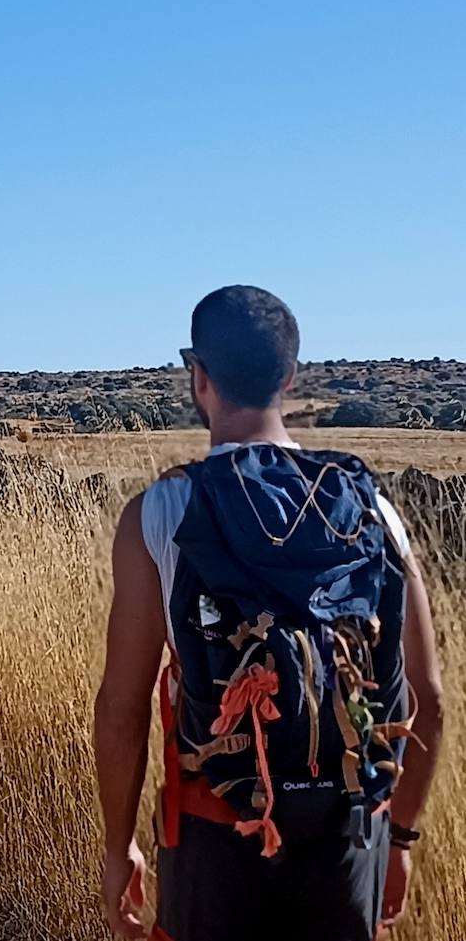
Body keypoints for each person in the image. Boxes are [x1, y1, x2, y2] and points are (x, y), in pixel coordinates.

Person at [93, 286, 445, 941]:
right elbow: (427, 697)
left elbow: (122, 708)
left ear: (198, 377)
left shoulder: (160, 514)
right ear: (289, 377)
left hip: (214, 848)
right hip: (346, 852)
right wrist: (398, 839)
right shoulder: (374, 510)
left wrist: (120, 850)